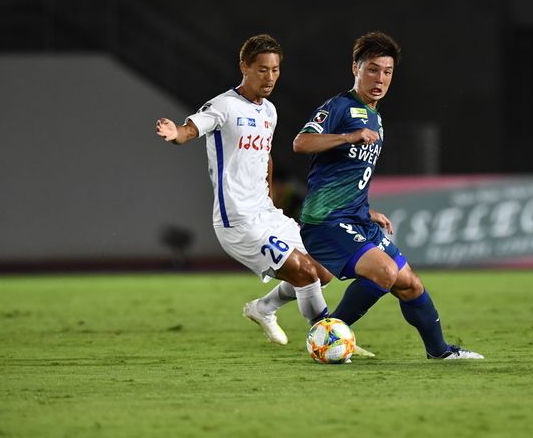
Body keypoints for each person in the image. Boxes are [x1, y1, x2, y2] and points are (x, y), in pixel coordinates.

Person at [292, 31, 483, 360]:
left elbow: (347, 178)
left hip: (355, 219)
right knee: (384, 272)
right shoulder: (338, 107)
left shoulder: (376, 118)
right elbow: (301, 142)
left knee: (410, 283)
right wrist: (348, 137)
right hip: (325, 222)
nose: (380, 79)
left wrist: (367, 211)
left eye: (387, 72)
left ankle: (440, 352)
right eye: (372, 69)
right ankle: (325, 335)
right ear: (355, 68)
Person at [155, 34, 332, 343]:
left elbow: (265, 156)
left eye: (275, 70)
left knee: (325, 270)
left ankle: (263, 308)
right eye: (262, 69)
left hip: (267, 214)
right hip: (238, 222)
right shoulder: (224, 105)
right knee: (305, 274)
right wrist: (176, 134)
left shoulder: (269, 111)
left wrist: (271, 200)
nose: (270, 77)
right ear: (244, 67)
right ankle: (327, 339)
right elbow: (190, 129)